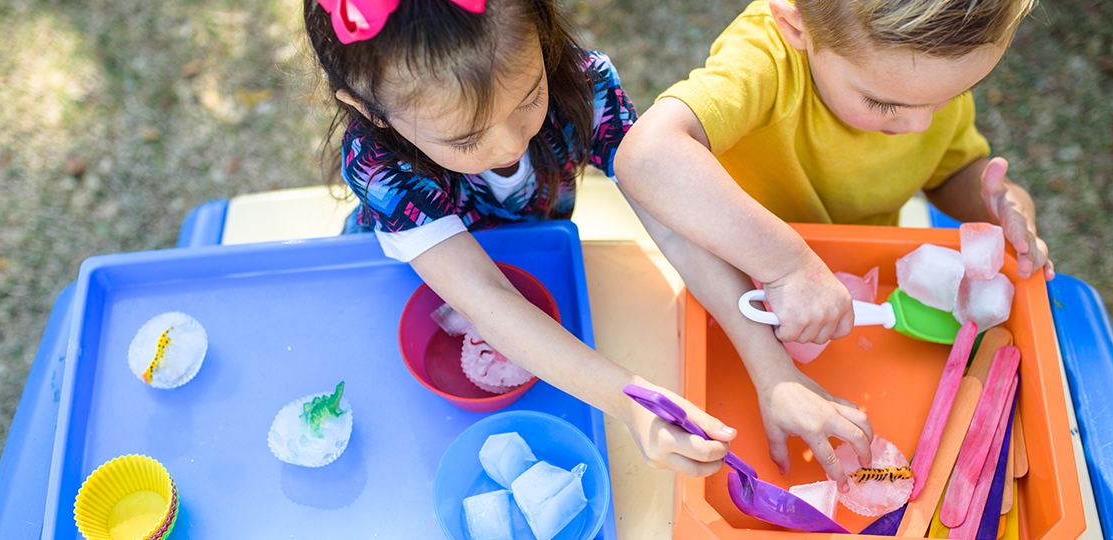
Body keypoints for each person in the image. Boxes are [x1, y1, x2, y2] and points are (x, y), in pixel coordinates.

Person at [613, 0, 1053, 490]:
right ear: (795, 22)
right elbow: (646, 156)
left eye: (954, 96)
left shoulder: (919, 75)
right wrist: (790, 267)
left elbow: (950, 169)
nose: (920, 125)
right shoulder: (768, 60)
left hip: (846, 283)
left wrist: (1001, 204)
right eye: (885, 105)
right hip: (729, 284)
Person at [303, 0, 735, 477]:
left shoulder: (583, 86)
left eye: (529, 98)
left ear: (543, 30)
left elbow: (672, 221)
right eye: (467, 140)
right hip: (402, 281)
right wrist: (631, 402)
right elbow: (485, 298)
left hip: (534, 265)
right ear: (369, 109)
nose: (510, 144)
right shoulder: (381, 169)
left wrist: (766, 360)